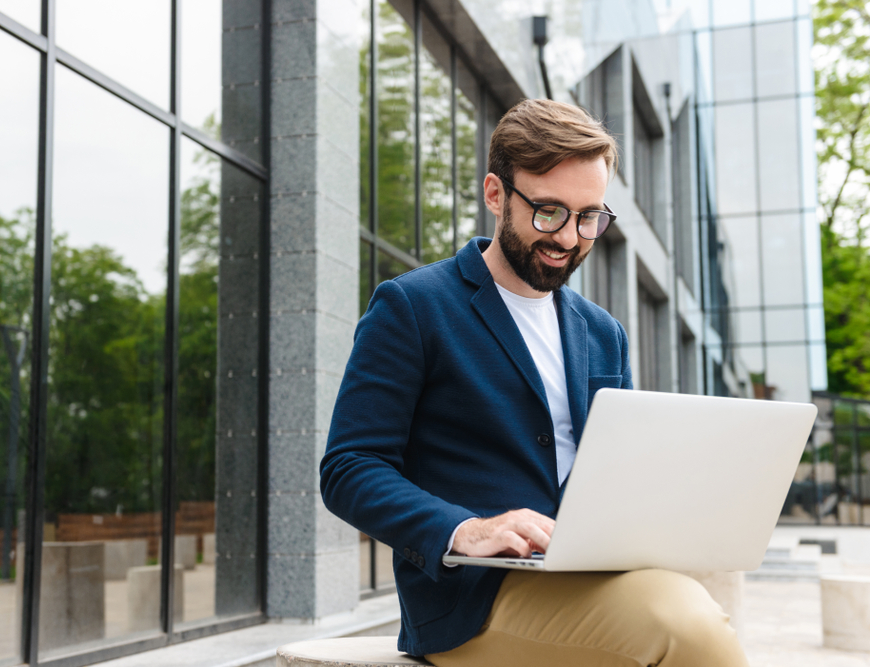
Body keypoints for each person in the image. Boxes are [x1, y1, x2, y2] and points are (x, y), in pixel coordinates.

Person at [319, 98, 748, 666]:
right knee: (688, 629)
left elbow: (615, 465)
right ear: (496, 194)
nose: (570, 238)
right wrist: (464, 529)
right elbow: (350, 468)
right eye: (549, 212)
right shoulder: (413, 307)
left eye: (589, 216)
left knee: (692, 607)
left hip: (589, 572)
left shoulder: (603, 332)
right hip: (472, 601)